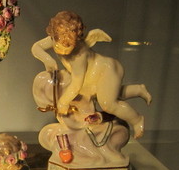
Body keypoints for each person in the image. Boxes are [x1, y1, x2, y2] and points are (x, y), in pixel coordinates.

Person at [31, 11, 151, 139]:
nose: (63, 51)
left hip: (106, 70)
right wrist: (48, 60)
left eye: (69, 47)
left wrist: (63, 102)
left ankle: (136, 120)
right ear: (53, 35)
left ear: (77, 39)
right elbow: (36, 47)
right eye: (58, 46)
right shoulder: (56, 38)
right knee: (111, 94)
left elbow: (76, 84)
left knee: (108, 104)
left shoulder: (79, 55)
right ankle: (138, 89)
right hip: (91, 76)